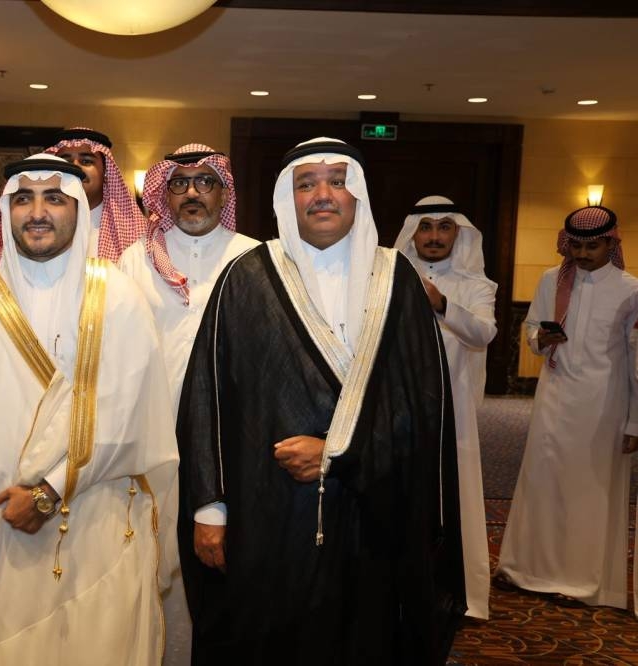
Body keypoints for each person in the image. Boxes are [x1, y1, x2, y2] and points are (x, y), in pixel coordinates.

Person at [177, 137, 465, 664]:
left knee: (365, 636)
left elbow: (422, 404)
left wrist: (337, 453)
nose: (323, 195)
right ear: (287, 199)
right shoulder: (247, 276)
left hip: (374, 506)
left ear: (358, 195)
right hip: (268, 509)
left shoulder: (396, 278)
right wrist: (209, 509)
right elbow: (208, 396)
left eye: (338, 181)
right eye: (306, 184)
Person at [0, 154, 178, 666]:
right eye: (23, 199)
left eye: (54, 198)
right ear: (6, 210)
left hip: (96, 527)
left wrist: (49, 491)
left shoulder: (119, 298)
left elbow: (131, 417)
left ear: (77, 208)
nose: (37, 213)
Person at [498, 205, 638, 609]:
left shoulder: (631, 290)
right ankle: (526, 569)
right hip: (554, 397)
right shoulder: (551, 280)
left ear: (611, 244)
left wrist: (634, 422)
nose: (581, 254)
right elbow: (531, 328)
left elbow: (635, 363)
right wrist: (540, 340)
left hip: (604, 405)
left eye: (591, 246)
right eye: (575, 246)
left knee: (588, 492)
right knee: (541, 482)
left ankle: (580, 582)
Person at [394, 195, 496, 620]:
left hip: (454, 410)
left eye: (444, 226)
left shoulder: (476, 286)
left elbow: (483, 334)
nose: (434, 236)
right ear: (412, 233)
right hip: (399, 411)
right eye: (425, 227)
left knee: (457, 498)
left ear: (458, 233)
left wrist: (441, 304)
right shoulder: (388, 276)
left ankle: (461, 596)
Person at [119, 143, 259, 413]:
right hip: (152, 413)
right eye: (180, 183)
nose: (191, 193)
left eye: (205, 181)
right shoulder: (136, 260)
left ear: (224, 195)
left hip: (228, 414)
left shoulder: (252, 257)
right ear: (166, 195)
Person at [45, 127, 147, 262]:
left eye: (86, 161)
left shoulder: (135, 235)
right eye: (66, 162)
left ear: (106, 172)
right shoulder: (39, 224)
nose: (76, 168)